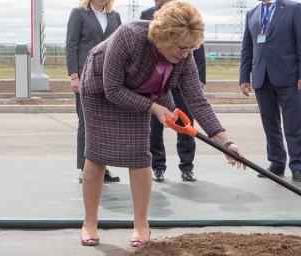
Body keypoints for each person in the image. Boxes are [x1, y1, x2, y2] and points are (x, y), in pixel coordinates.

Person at [77, 1, 243, 247]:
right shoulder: (129, 36)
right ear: (163, 37)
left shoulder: (184, 56)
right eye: (180, 47)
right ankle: (89, 223)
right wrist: (153, 107)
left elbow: (197, 100)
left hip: (142, 93)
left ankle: (141, 224)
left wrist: (225, 141)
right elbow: (112, 89)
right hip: (101, 91)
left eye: (189, 48)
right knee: (97, 154)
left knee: (140, 155)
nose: (184, 54)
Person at [239, 0, 301, 182]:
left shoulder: (293, 9)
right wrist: (244, 77)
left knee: (294, 124)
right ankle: (276, 163)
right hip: (261, 77)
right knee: (270, 123)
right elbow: (247, 48)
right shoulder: (252, 13)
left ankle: (297, 166)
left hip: (289, 77)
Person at [141, 0, 207, 182]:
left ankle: (187, 166)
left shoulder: (187, 14)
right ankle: (158, 166)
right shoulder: (146, 15)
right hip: (157, 85)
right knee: (154, 127)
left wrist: (200, 78)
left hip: (181, 83)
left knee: (186, 125)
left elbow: (197, 49)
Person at [66, 0, 121, 183]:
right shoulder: (79, 14)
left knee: (106, 124)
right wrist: (74, 75)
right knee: (86, 122)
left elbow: (121, 46)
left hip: (110, 76)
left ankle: (102, 169)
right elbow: (71, 45)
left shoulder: (114, 17)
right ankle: (85, 168)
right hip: (85, 74)